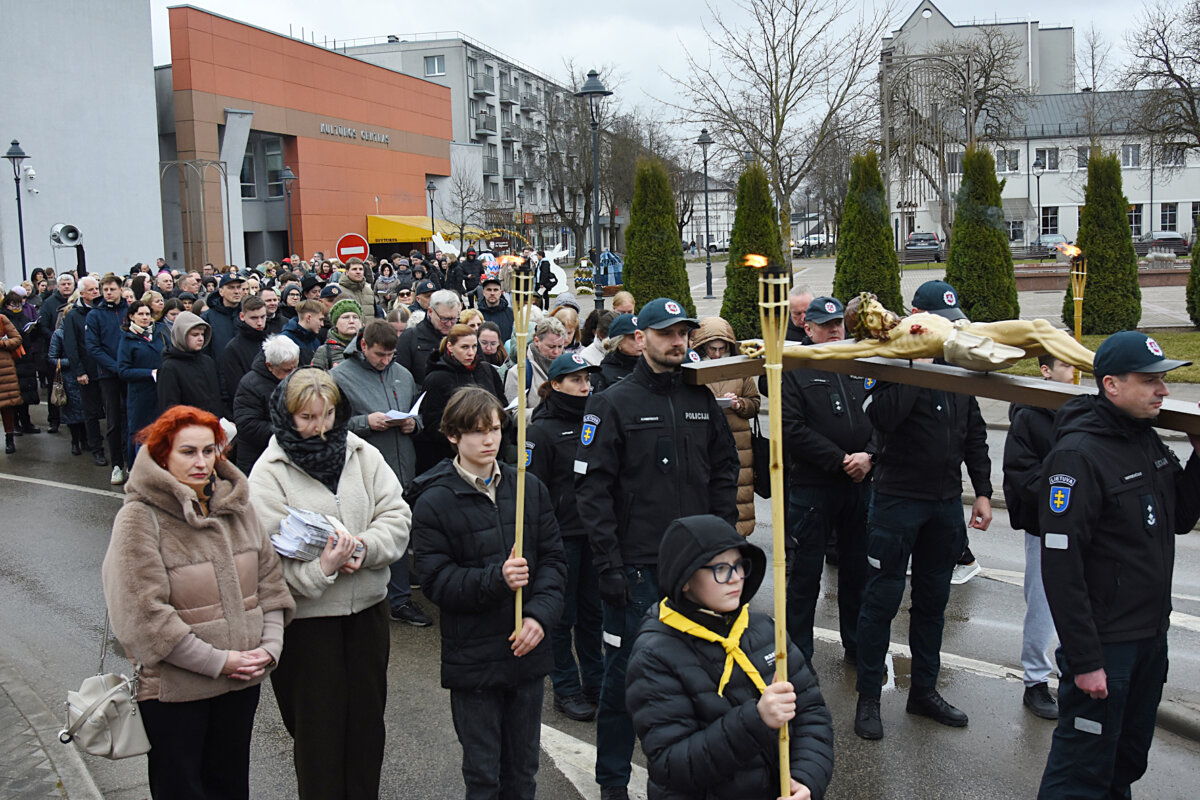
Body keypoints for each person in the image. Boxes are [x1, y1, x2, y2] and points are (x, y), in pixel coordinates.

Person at [575, 297, 740, 799]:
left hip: (697, 568)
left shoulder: (700, 398)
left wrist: (722, 539)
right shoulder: (612, 402)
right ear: (640, 337)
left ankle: (687, 776)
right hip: (639, 567)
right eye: (667, 333)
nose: (678, 341)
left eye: (683, 333)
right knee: (626, 680)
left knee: (701, 676)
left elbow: (724, 467)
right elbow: (592, 488)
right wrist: (609, 564)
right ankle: (612, 782)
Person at [1036, 332, 1200, 798]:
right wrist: (1086, 661)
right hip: (1107, 647)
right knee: (1080, 773)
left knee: (1125, 762)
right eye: (1150, 381)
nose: (1163, 391)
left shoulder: (1143, 440)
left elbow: (1180, 518)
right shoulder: (1078, 456)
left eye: (1163, 380)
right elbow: (1061, 569)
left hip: (1149, 637)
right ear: (1111, 384)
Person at [101, 405, 294, 800]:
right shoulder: (139, 518)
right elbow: (144, 618)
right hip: (175, 692)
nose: (202, 462)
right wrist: (219, 661)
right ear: (162, 455)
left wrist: (269, 648)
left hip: (240, 685)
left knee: (231, 785)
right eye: (188, 452)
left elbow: (271, 584)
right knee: (183, 789)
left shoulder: (237, 508)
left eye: (210, 451)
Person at [248, 368, 411, 800]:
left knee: (365, 728)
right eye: (307, 418)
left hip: (367, 615)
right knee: (318, 735)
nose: (320, 427)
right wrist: (322, 569)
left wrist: (363, 547)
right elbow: (266, 562)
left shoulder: (362, 454)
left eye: (327, 415)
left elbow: (396, 515)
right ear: (287, 416)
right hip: (309, 624)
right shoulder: (268, 473)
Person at [409, 386, 566, 800]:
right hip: (474, 660)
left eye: (495, 429)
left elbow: (553, 562)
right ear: (453, 436)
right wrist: (496, 579)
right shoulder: (434, 501)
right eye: (477, 431)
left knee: (523, 773)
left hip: (525, 653)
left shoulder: (529, 489)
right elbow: (436, 581)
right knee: (483, 776)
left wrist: (539, 617)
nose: (490, 440)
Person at [852, 280, 992, 741]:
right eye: (938, 323)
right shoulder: (888, 359)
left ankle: (924, 692)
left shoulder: (957, 365)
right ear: (917, 317)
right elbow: (882, 420)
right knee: (881, 602)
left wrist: (985, 492)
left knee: (933, 604)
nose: (947, 332)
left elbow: (974, 432)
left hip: (945, 503)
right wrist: (918, 364)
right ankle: (869, 697)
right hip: (897, 501)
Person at [626, 515, 834, 800]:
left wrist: (806, 778)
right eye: (721, 568)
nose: (735, 578)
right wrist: (757, 720)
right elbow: (672, 764)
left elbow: (811, 714)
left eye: (739, 566)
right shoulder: (654, 656)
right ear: (684, 579)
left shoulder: (764, 629)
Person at [780, 296, 876, 666]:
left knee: (856, 574)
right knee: (805, 579)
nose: (836, 330)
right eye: (826, 325)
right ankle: (799, 658)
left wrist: (869, 455)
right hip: (814, 488)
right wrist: (840, 461)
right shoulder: (796, 366)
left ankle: (855, 646)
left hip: (859, 486)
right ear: (808, 328)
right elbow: (791, 428)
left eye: (839, 323)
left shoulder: (859, 360)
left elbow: (880, 416)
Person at [330, 320, 430, 628]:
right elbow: (329, 425)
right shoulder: (339, 377)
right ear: (363, 346)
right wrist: (364, 422)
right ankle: (397, 600)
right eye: (378, 355)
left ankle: (399, 586)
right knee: (382, 527)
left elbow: (418, 412)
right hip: (366, 470)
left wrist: (416, 423)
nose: (385, 361)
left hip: (404, 464)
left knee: (400, 528)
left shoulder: (402, 374)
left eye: (390, 355)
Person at [527, 353, 604, 722]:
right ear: (556, 384)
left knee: (593, 614)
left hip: (595, 533)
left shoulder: (595, 421)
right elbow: (532, 491)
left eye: (587, 379)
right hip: (562, 537)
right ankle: (566, 688)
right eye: (576, 380)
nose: (585, 386)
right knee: (562, 617)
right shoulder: (540, 430)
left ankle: (595, 681)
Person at [1002, 354, 1072, 721]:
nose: (1073, 373)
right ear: (1045, 371)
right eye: (1065, 366)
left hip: (1082, 528)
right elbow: (1020, 475)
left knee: (1083, 603)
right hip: (1046, 527)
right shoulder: (1029, 416)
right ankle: (1036, 680)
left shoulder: (1080, 410)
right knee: (1043, 604)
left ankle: (1074, 672)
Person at [692, 317, 762, 536]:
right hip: (705, 443)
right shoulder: (693, 368)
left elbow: (754, 402)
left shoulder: (739, 368)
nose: (717, 354)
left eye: (722, 348)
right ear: (702, 346)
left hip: (739, 446)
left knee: (739, 497)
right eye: (712, 348)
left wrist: (739, 403)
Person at [418, 323, 506, 472]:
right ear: (450, 347)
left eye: (474, 347)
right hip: (453, 458)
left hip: (490, 455)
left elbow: (501, 404)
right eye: (464, 347)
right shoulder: (437, 378)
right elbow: (432, 423)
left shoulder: (487, 371)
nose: (471, 353)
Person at [232, 334, 298, 476]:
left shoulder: (296, 377)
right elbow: (247, 425)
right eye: (287, 370)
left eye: (295, 367)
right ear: (270, 366)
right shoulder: (250, 384)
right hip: (258, 459)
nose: (293, 374)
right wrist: (289, 432)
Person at [85, 273, 129, 483]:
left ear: (121, 289)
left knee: (132, 417)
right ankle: (117, 465)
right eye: (105, 290)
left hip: (130, 373)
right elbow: (93, 347)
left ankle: (133, 461)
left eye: (112, 289)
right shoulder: (95, 314)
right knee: (113, 420)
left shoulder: (129, 311)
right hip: (108, 375)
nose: (109, 293)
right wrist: (115, 367)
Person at [62, 276, 107, 466]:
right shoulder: (74, 315)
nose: (96, 292)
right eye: (92, 290)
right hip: (87, 370)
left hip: (105, 369)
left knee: (112, 410)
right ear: (82, 294)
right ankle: (96, 448)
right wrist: (79, 371)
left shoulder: (103, 310)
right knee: (90, 412)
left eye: (97, 289)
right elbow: (71, 347)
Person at [117, 300, 163, 468]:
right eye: (140, 314)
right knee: (138, 435)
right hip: (140, 395)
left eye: (147, 314)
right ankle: (135, 470)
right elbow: (123, 370)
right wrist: (149, 373)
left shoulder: (158, 334)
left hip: (158, 393)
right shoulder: (128, 338)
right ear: (132, 316)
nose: (145, 318)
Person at [157, 311, 224, 419]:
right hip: (188, 429)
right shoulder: (169, 367)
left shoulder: (208, 361)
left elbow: (216, 397)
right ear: (182, 335)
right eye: (195, 334)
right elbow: (170, 409)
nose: (200, 338)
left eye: (202, 334)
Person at [395, 288, 461, 386]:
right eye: (443, 319)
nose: (449, 324)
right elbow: (401, 379)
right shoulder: (410, 338)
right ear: (430, 311)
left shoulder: (464, 337)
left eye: (453, 319)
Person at [505, 316, 567, 418]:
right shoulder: (518, 373)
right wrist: (549, 413)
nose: (556, 352)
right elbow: (514, 415)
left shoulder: (570, 368)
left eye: (560, 346)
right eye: (551, 347)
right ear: (536, 341)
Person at [46, 310, 88, 455]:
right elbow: (52, 357)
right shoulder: (59, 334)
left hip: (85, 375)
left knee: (86, 410)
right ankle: (75, 441)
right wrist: (73, 361)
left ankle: (85, 440)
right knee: (72, 413)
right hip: (69, 378)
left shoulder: (84, 331)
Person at [220, 296, 270, 408]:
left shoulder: (272, 340)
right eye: (254, 318)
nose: (260, 323)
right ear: (242, 316)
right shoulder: (233, 348)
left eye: (263, 317)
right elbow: (235, 388)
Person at [590, 313, 641, 393]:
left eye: (641, 336)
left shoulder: (651, 367)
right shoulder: (602, 375)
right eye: (633, 338)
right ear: (618, 341)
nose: (639, 342)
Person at [202, 273, 245, 358]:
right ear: (221, 291)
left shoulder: (247, 313)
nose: (236, 291)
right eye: (231, 288)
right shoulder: (208, 317)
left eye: (239, 287)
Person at [312, 299, 362, 370]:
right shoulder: (324, 351)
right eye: (346, 317)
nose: (351, 321)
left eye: (355, 317)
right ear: (336, 323)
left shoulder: (367, 348)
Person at [0, 310, 24, 454]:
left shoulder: (2, 319)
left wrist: (2, 343)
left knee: (7, 407)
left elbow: (17, 338)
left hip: (4, 371)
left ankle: (9, 439)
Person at [280, 299, 325, 367]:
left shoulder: (315, 341)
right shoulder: (285, 340)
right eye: (320, 319)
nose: (322, 324)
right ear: (308, 317)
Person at [478, 275, 514, 341]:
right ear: (483, 292)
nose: (492, 293)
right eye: (489, 290)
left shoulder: (511, 314)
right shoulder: (477, 315)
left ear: (500, 292)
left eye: (495, 290)